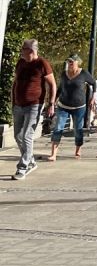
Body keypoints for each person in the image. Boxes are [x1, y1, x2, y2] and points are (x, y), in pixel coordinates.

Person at [11, 39, 56, 180]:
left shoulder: (42, 64)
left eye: (23, 49)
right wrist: (12, 101)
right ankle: (30, 160)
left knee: (27, 136)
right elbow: (15, 82)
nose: (21, 52)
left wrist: (51, 103)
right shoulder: (21, 63)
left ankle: (23, 167)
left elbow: (52, 85)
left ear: (31, 51)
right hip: (18, 104)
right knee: (17, 136)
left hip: (34, 105)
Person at [50, 55, 95, 161]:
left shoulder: (83, 73)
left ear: (77, 62)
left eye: (72, 61)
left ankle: (78, 150)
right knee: (58, 128)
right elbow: (60, 88)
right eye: (68, 61)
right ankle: (53, 154)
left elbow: (93, 83)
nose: (70, 63)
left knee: (78, 130)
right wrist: (53, 101)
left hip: (79, 107)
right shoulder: (63, 74)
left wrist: (93, 97)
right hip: (63, 105)